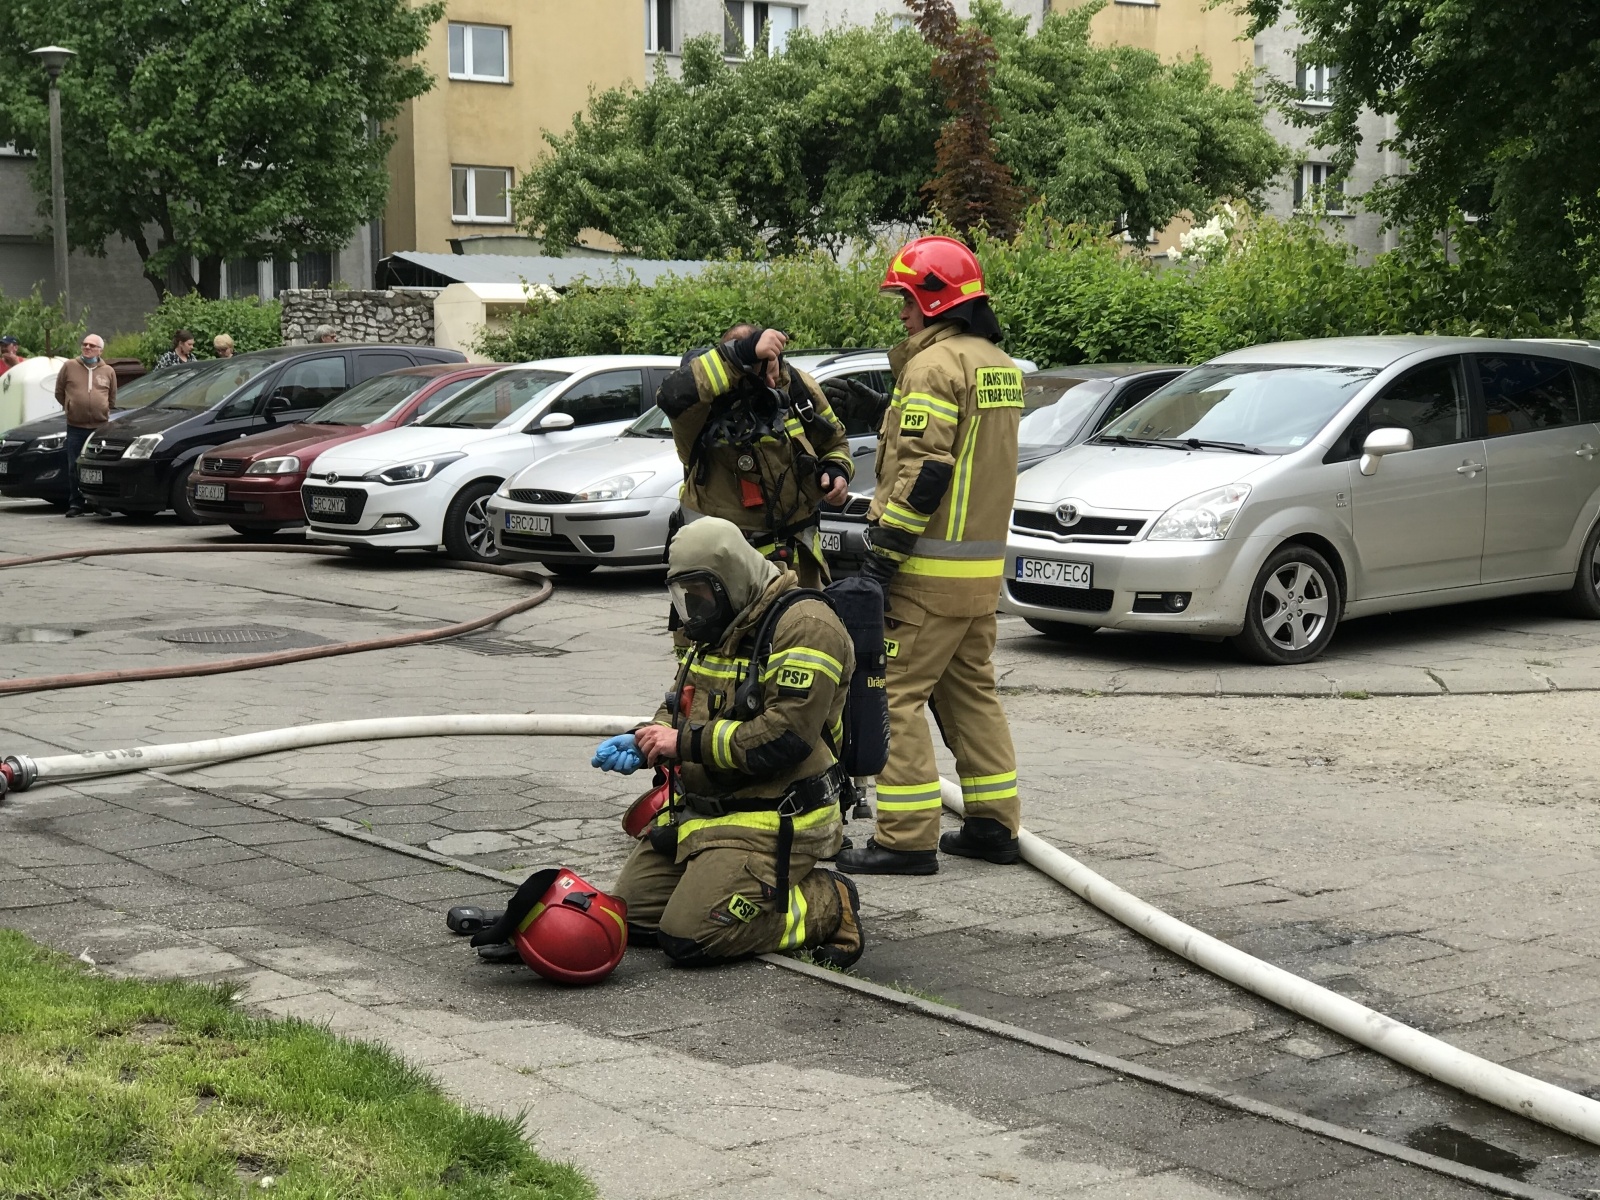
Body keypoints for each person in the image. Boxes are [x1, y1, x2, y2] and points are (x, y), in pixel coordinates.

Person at [594, 516, 864, 969]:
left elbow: (784, 738)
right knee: (629, 920)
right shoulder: (718, 622)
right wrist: (647, 736)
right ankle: (718, 880)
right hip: (704, 811)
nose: (691, 609)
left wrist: (681, 743)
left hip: (774, 818)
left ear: (730, 580)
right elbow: (685, 704)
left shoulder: (807, 626)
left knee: (689, 936)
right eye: (683, 596)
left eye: (699, 594)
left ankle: (827, 902)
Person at [835, 236, 1026, 877]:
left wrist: (881, 560)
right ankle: (994, 827)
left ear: (934, 300)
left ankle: (908, 837)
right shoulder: (996, 363)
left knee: (894, 696)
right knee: (971, 693)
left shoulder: (933, 368)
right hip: (978, 574)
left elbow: (924, 470)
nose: (901, 315)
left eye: (906, 302)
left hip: (926, 573)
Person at [657, 324, 854, 590]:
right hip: (727, 575)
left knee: (809, 631)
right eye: (759, 373)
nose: (772, 383)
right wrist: (739, 355)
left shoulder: (797, 386)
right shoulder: (701, 408)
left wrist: (836, 469)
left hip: (800, 571)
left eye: (773, 367)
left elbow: (835, 441)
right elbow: (671, 395)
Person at [54, 333, 118, 518]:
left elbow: (112, 397)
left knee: (99, 466)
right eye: (85, 344)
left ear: (100, 350)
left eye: (92, 345)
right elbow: (59, 392)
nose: (87, 348)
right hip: (75, 425)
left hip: (99, 427)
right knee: (74, 466)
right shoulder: (69, 366)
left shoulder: (108, 371)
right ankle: (76, 503)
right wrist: (71, 406)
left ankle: (99, 503)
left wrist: (103, 409)